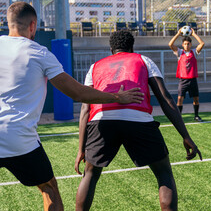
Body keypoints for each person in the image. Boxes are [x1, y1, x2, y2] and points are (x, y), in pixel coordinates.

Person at [0, 2, 144, 211]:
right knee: (49, 188)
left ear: (8, 24)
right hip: (19, 140)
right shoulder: (39, 53)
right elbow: (77, 92)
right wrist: (117, 97)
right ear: (33, 25)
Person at [74, 30, 202, 211]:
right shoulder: (144, 60)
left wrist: (81, 149)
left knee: (90, 174)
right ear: (132, 47)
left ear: (112, 49)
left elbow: (85, 109)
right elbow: (165, 99)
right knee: (163, 173)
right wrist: (185, 135)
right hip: (138, 119)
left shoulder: (95, 66)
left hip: (102, 120)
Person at [168, 28, 205, 122]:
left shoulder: (194, 52)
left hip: (193, 80)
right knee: (180, 99)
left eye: (188, 44)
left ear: (190, 44)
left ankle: (196, 116)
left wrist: (194, 34)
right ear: (182, 45)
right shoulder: (180, 52)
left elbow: (202, 44)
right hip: (183, 80)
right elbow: (170, 44)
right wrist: (178, 34)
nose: (186, 45)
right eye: (185, 44)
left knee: (196, 99)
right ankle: (179, 117)